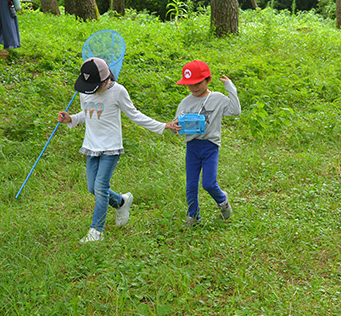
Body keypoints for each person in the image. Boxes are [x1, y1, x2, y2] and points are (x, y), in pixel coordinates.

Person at [58, 57, 180, 243]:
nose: (92, 91)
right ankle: (121, 202)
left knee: (100, 187)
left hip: (111, 147)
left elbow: (135, 115)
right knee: (92, 187)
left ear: (106, 80)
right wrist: (71, 119)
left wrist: (163, 125)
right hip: (91, 145)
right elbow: (89, 113)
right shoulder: (86, 91)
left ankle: (96, 231)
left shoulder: (118, 92)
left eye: (95, 87)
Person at [172, 60, 241, 227]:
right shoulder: (186, 102)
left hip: (210, 146)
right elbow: (175, 125)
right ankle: (193, 216)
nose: (194, 88)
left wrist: (230, 88)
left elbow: (235, 110)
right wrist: (175, 127)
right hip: (193, 146)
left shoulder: (217, 99)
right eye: (190, 85)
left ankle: (222, 201)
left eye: (198, 83)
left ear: (208, 80)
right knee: (191, 184)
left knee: (209, 183)